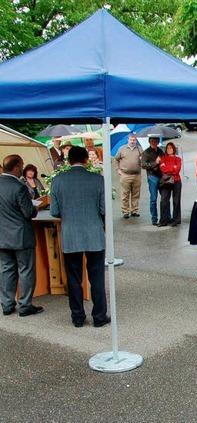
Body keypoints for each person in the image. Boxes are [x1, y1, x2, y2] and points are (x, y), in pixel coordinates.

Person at [50, 146, 108, 327]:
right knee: (97, 277)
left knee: (74, 278)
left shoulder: (58, 181)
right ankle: (99, 317)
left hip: (70, 234)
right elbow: (103, 209)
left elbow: (54, 211)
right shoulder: (98, 179)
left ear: (68, 160)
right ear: (86, 160)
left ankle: (77, 317)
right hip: (94, 234)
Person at [0, 154, 43, 317]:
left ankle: (7, 304)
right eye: (22, 165)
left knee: (5, 269)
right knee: (25, 270)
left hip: (2, 236)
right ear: (16, 167)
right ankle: (25, 305)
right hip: (21, 236)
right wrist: (35, 208)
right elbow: (28, 212)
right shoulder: (19, 187)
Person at [114, 134, 142, 219]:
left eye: (134, 140)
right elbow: (116, 159)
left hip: (137, 175)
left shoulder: (139, 149)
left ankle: (134, 210)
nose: (132, 141)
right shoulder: (122, 149)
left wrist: (142, 159)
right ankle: (125, 211)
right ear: (128, 140)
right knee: (125, 194)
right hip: (125, 175)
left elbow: (144, 160)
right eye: (131, 140)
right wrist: (118, 170)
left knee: (136, 194)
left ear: (136, 140)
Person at [140, 136, 164, 225]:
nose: (154, 143)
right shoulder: (146, 152)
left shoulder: (160, 151)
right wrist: (155, 163)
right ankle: (154, 219)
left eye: (156, 141)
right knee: (153, 199)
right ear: (149, 142)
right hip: (152, 177)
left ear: (158, 142)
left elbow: (164, 161)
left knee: (164, 198)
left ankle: (165, 217)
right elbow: (143, 165)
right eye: (152, 141)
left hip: (162, 176)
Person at [158, 142, 182, 227]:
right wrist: (172, 168)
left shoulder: (178, 159)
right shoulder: (163, 158)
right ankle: (163, 220)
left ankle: (176, 219)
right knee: (163, 200)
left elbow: (177, 170)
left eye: (171, 148)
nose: (169, 149)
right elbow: (163, 169)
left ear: (174, 149)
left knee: (176, 201)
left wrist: (169, 168)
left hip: (176, 181)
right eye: (168, 148)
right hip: (166, 182)